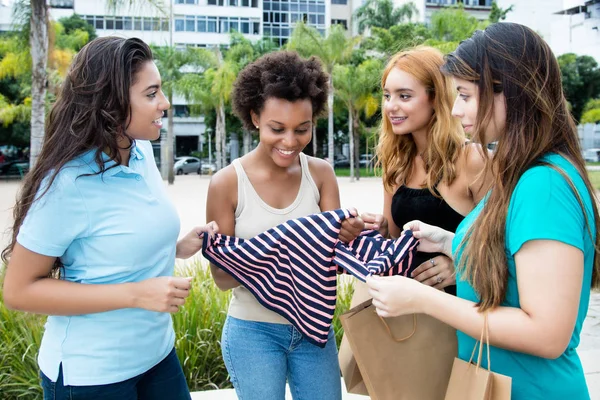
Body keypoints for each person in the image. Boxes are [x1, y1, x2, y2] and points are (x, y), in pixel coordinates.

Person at [366, 23, 600, 399]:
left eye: (465, 95)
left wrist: (421, 297)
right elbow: (512, 269)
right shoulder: (521, 173)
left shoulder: (546, 185)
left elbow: (547, 333)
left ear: (509, 91)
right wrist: (450, 241)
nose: (456, 110)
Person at [1, 37, 218, 400]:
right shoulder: (67, 184)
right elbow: (19, 290)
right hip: (91, 375)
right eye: (151, 94)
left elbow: (115, 241)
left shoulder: (141, 151)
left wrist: (177, 247)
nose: (164, 103)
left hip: (157, 356)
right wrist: (135, 295)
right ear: (112, 103)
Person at [206, 51, 343, 400]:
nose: (290, 142)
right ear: (254, 117)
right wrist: (287, 245)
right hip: (253, 332)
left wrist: (348, 237)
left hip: (315, 329)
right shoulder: (227, 183)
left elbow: (334, 264)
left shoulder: (322, 175)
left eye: (303, 129)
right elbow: (221, 278)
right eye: (276, 129)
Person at [342, 46, 490, 295]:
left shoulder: (474, 160)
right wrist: (379, 230)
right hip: (409, 318)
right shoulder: (396, 164)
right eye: (387, 95)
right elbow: (396, 244)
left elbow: (501, 246)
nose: (390, 106)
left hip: (462, 311)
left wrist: (459, 264)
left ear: (436, 98)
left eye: (404, 96)